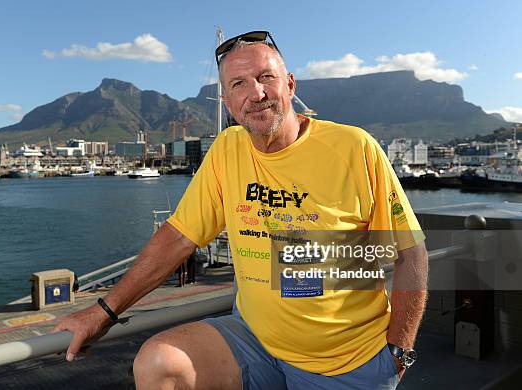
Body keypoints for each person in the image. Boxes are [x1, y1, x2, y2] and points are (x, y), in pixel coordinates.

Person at [53, 30, 428, 390]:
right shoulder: (227, 148)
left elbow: (410, 253)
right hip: (256, 343)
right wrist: (104, 310)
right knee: (158, 364)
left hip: (345, 361)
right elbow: (179, 235)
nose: (257, 93)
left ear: (291, 85)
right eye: (239, 84)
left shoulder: (353, 148)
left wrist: (399, 350)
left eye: (267, 77)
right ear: (227, 103)